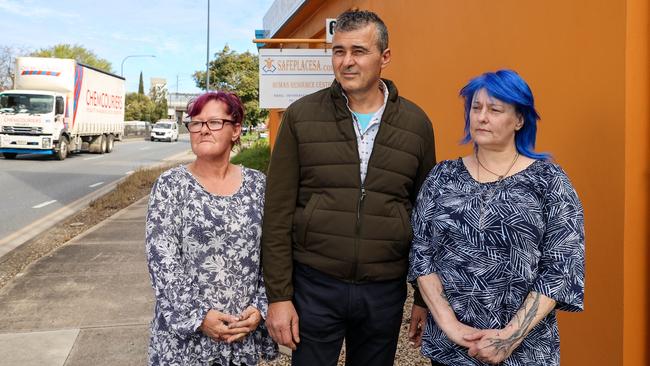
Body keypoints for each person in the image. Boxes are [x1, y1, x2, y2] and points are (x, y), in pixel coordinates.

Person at [262, 9, 436, 366]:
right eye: (338, 51)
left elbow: (426, 218)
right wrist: (279, 297)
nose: (346, 61)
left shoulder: (417, 125)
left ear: (384, 57)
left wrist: (422, 296)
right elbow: (277, 213)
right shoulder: (301, 117)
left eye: (359, 51)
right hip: (315, 285)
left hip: (384, 289)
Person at [408, 69, 585, 366]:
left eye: (495, 109)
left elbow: (561, 268)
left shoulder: (549, 181)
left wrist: (509, 337)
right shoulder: (442, 177)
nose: (481, 117)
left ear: (519, 120)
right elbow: (421, 254)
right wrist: (452, 327)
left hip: (526, 351)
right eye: (476, 108)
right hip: (452, 351)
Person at [145, 91, 277, 365]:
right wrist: (199, 316)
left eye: (214, 122)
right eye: (196, 122)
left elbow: (275, 252)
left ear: (236, 130)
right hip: (185, 342)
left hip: (241, 334)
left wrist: (260, 307)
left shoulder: (258, 185)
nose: (203, 129)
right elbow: (162, 260)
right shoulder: (170, 185)